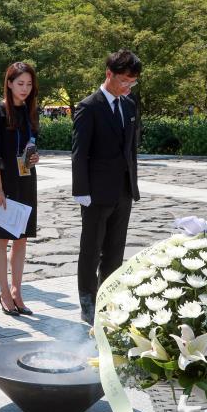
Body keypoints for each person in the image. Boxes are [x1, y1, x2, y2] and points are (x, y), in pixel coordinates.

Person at [72, 49, 142, 324]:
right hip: (96, 191)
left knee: (115, 250)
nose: (127, 86)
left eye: (132, 82)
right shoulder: (89, 106)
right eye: (124, 80)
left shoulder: (129, 105)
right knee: (91, 250)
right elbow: (80, 152)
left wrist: (133, 185)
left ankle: (107, 298)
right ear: (109, 74)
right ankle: (87, 303)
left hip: (123, 190)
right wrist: (81, 191)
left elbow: (131, 150)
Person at [0, 62, 40, 317]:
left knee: (22, 239)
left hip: (27, 179)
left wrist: (34, 157)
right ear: (9, 83)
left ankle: (17, 291)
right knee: (2, 238)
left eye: (29, 84)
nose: (25, 89)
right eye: (20, 83)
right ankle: (4, 292)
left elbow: (31, 143)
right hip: (5, 182)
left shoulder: (31, 111)